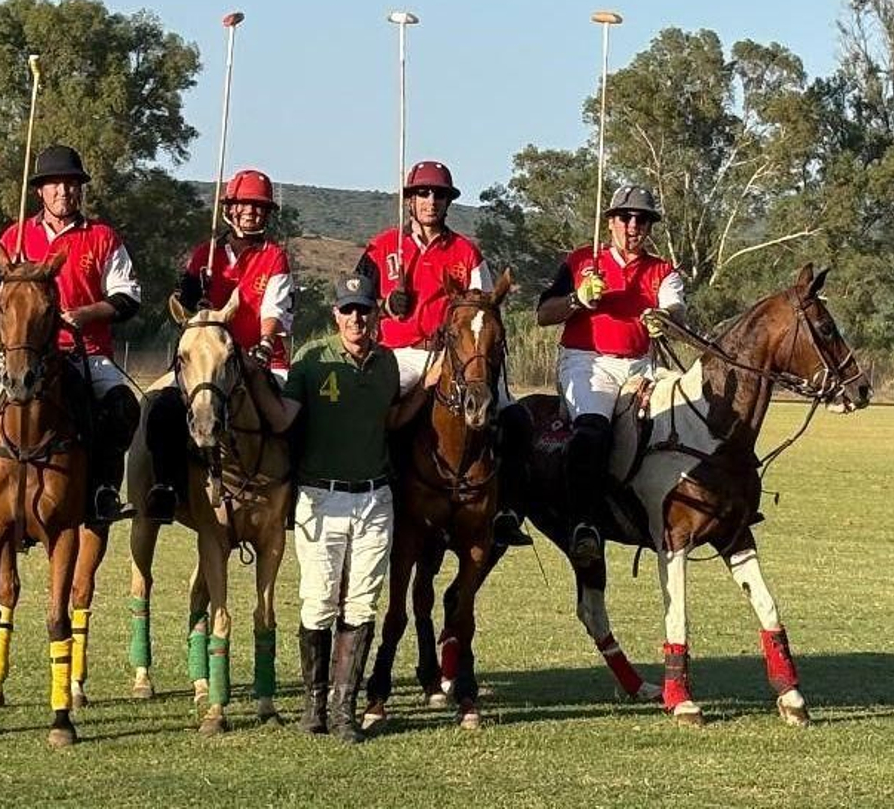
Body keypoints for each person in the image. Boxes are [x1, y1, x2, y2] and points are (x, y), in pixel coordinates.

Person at [248, 272, 436, 743]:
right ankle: (314, 704)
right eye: (348, 309)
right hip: (320, 496)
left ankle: (344, 707)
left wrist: (425, 389)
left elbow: (392, 418)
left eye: (364, 309)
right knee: (318, 600)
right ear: (336, 315)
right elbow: (284, 418)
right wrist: (254, 379)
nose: (356, 317)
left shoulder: (388, 364)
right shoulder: (312, 360)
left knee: (362, 602)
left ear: (376, 314)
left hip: (375, 497)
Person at [0, 145, 143, 525]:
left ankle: (104, 490)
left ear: (80, 190)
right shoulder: (17, 234)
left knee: (123, 406)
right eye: (55, 184)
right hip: (21, 349)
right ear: (40, 191)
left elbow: (128, 296)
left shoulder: (102, 237)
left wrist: (84, 314)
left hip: (83, 349)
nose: (63, 192)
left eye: (70, 184)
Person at [355, 160, 533, 547]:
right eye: (423, 193)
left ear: (448, 202)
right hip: (399, 354)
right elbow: (354, 305)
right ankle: (372, 497)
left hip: (453, 357)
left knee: (515, 418)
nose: (430, 200)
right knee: (373, 414)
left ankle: (505, 510)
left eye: (438, 194)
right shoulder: (382, 247)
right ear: (410, 200)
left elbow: (486, 308)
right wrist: (386, 305)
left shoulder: (466, 251)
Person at [535, 185, 686, 566]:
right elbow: (543, 314)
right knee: (593, 430)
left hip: (641, 365)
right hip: (590, 362)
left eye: (642, 219)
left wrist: (663, 320)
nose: (633, 225)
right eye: (625, 217)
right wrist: (578, 299)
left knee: (688, 423)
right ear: (611, 222)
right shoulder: (582, 261)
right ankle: (585, 524)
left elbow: (676, 309)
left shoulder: (662, 270)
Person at [138, 168, 295, 524]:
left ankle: (294, 494)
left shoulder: (275, 256)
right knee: (161, 407)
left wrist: (265, 345)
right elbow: (184, 310)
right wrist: (189, 290)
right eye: (245, 205)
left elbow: (275, 308)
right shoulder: (205, 254)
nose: (252, 212)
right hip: (205, 362)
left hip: (259, 358)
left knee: (294, 418)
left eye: (259, 206)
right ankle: (166, 486)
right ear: (230, 209)